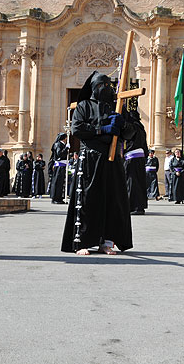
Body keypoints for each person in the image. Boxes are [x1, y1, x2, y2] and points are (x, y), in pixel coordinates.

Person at [61, 71, 133, 256]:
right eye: (102, 85)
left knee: (112, 201)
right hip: (90, 160)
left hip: (112, 160)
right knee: (87, 199)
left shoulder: (117, 106)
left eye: (109, 85)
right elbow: (77, 128)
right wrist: (101, 130)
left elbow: (133, 132)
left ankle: (107, 242)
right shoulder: (84, 106)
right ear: (94, 87)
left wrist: (123, 124)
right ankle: (82, 242)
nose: (106, 88)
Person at [123, 109, 149, 215]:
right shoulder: (141, 127)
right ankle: (139, 206)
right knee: (139, 182)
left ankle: (135, 206)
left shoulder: (132, 126)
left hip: (132, 157)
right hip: (140, 157)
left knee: (132, 182)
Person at [50, 133, 69, 204]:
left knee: (61, 183)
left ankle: (59, 197)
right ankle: (55, 198)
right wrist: (66, 148)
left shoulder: (61, 144)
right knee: (57, 182)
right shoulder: (58, 144)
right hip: (59, 166)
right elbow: (59, 154)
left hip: (62, 165)